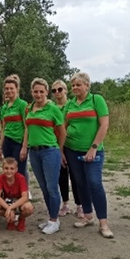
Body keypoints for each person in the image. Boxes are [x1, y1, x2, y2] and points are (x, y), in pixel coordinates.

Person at [62, 72, 113, 239]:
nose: (75, 88)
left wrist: (93, 148)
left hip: (93, 150)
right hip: (71, 149)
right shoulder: (69, 104)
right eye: (73, 85)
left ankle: (103, 223)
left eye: (78, 84)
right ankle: (88, 216)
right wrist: (61, 149)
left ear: (87, 85)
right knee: (80, 182)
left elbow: (104, 124)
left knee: (94, 183)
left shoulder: (96, 100)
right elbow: (63, 127)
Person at [20, 78, 66, 235]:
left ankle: (54, 220)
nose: (38, 94)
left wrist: (59, 150)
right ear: (32, 92)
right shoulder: (29, 108)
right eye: (35, 91)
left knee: (52, 187)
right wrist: (25, 147)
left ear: (47, 92)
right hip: (34, 152)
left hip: (49, 151)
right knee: (44, 187)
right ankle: (51, 218)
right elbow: (27, 128)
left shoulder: (53, 109)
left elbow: (62, 132)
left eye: (41, 91)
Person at [0, 157, 33, 231]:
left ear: (16, 169)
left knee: (29, 208)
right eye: (6, 168)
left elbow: (24, 197)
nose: (9, 171)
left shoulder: (21, 178)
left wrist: (10, 208)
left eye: (12, 169)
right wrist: (8, 208)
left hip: (18, 202)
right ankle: (10, 218)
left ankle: (21, 218)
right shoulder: (0, 178)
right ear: (2, 169)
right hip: (7, 201)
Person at [50, 79, 76, 215]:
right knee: (62, 175)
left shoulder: (72, 105)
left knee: (76, 175)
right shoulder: (51, 107)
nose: (57, 93)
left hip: (71, 143)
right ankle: (65, 204)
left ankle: (80, 205)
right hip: (56, 143)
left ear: (65, 90)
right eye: (54, 90)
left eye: (60, 89)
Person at [0, 75, 28, 181]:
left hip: (18, 142)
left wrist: (24, 146)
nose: (9, 91)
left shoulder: (22, 105)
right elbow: (4, 128)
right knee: (9, 170)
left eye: (11, 88)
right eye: (6, 88)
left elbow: (26, 126)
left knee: (19, 171)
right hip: (7, 142)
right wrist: (0, 147)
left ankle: (23, 194)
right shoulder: (4, 107)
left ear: (17, 89)